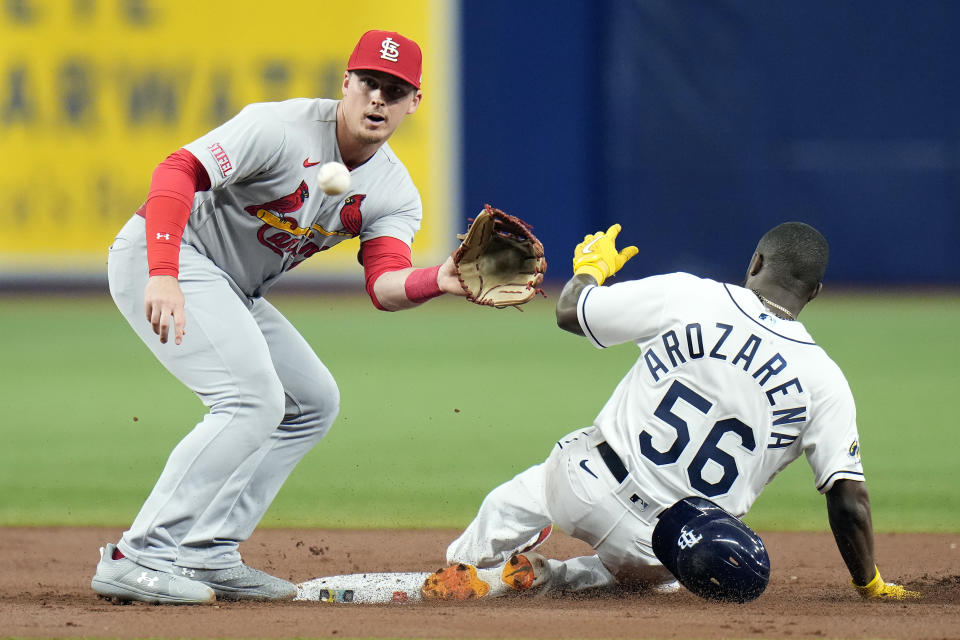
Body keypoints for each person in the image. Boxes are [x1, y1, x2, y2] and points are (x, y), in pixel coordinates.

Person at [92, 29, 469, 605]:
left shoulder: (394, 190)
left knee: (312, 401)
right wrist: (163, 271)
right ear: (346, 82)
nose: (377, 100)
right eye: (369, 83)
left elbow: (384, 285)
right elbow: (177, 171)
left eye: (394, 91)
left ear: (413, 103)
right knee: (250, 399)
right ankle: (138, 555)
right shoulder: (279, 127)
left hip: (232, 285)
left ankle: (208, 550)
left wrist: (437, 279)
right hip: (164, 253)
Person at [421, 222, 920, 602]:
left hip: (581, 487)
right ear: (814, 292)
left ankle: (462, 566)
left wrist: (590, 270)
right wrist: (870, 583)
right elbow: (848, 499)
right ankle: (554, 575)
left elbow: (571, 313)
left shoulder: (691, 295)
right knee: (665, 583)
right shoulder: (825, 381)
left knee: (521, 495)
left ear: (756, 262)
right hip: (665, 549)